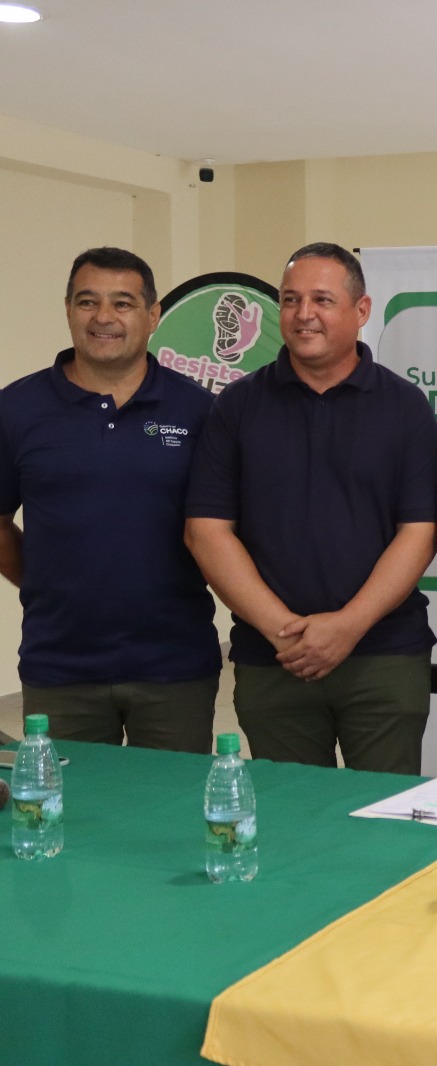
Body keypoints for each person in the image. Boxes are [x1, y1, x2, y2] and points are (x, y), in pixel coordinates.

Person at [185, 242, 437, 774]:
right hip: (273, 658)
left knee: (384, 814)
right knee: (290, 815)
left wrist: (347, 626)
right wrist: (285, 632)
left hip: (383, 656)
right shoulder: (236, 406)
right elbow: (207, 531)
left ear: (361, 310)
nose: (304, 314)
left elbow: (419, 532)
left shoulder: (405, 407)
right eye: (291, 300)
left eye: (322, 299)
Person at [0, 247, 219, 751]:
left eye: (122, 303)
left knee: (169, 801)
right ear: (68, 309)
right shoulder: (16, 408)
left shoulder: (199, 410)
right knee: (66, 801)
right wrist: (46, 582)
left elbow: (222, 530)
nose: (103, 317)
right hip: (60, 668)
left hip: (176, 666)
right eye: (87, 302)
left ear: (153, 315)